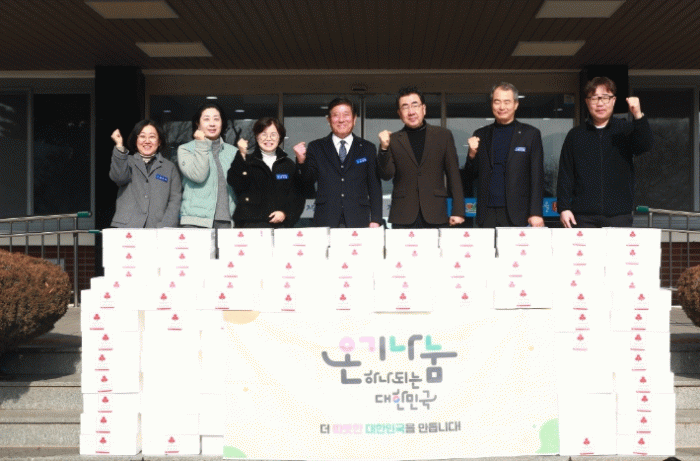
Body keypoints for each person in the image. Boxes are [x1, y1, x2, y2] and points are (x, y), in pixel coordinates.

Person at [557, 76, 653, 228]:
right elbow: (565, 174)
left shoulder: (625, 130)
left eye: (605, 97)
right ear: (587, 102)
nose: (600, 103)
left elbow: (645, 145)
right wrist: (564, 207)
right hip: (582, 217)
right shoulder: (575, 135)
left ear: (613, 100)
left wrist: (638, 115)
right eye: (594, 98)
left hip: (619, 215)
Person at [377, 86, 464, 228]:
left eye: (415, 105)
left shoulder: (443, 135)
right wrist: (384, 148)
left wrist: (458, 211)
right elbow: (386, 175)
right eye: (405, 107)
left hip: (435, 213)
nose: (411, 111)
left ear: (424, 108)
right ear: (399, 113)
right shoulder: (393, 140)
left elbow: (453, 175)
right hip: (403, 215)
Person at [461, 83, 544, 227]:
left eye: (507, 102)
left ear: (516, 104)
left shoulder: (530, 134)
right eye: (497, 102)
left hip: (518, 213)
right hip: (486, 212)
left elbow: (537, 176)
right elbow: (470, 176)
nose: (502, 107)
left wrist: (535, 212)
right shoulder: (481, 134)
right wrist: (471, 155)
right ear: (492, 104)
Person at [293, 97, 382, 228]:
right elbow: (307, 182)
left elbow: (374, 185)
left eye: (346, 115)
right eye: (336, 115)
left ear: (354, 119)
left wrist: (376, 218)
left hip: (359, 218)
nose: (341, 120)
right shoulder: (316, 147)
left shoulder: (367, 148)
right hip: (326, 217)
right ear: (329, 120)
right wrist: (301, 162)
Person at [227, 117, 304, 228]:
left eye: (273, 134)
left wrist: (285, 214)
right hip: (250, 227)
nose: (268, 138)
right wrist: (241, 155)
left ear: (280, 137)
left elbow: (297, 196)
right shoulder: (246, 161)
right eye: (263, 134)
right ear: (257, 136)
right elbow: (235, 182)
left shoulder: (288, 165)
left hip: (281, 228)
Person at [109, 120, 181, 228]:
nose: (147, 141)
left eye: (152, 137)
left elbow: (175, 201)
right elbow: (119, 178)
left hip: (157, 228)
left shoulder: (169, 168)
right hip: (127, 228)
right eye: (142, 136)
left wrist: (166, 226)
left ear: (159, 141)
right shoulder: (127, 161)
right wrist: (119, 146)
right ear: (136, 140)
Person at [177, 103, 237, 228]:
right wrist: (201, 144)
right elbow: (199, 175)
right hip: (195, 222)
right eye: (206, 119)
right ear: (198, 124)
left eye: (216, 119)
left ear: (222, 123)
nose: (212, 124)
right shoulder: (186, 149)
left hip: (226, 221)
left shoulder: (233, 152)